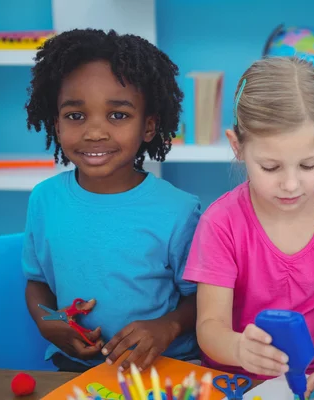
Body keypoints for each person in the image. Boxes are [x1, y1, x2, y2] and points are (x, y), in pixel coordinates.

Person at [183, 56, 314, 400]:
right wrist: (238, 348)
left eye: (308, 164)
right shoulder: (220, 222)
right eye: (270, 167)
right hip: (236, 383)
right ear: (237, 146)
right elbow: (209, 326)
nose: (291, 184)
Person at [23, 28, 200, 373]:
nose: (94, 132)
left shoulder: (179, 210)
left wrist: (168, 327)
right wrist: (50, 321)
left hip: (165, 369)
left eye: (118, 115)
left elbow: (203, 298)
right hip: (74, 367)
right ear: (57, 125)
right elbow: (37, 282)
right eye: (76, 115)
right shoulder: (44, 200)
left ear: (148, 127)